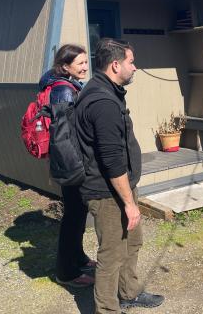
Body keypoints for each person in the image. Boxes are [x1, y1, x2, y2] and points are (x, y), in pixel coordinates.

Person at [76, 38, 164, 314]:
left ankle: (129, 293)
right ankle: (107, 309)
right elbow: (112, 161)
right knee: (112, 254)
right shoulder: (103, 102)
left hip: (121, 189)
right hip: (107, 193)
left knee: (133, 241)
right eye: (131, 62)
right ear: (115, 65)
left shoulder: (106, 90)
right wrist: (129, 203)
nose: (135, 67)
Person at [38, 44, 96, 288]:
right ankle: (66, 272)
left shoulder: (67, 85)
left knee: (77, 214)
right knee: (72, 217)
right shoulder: (63, 91)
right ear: (65, 67)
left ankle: (78, 257)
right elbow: (63, 135)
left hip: (71, 161)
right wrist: (76, 168)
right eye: (80, 63)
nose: (85, 67)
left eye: (85, 62)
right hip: (71, 163)